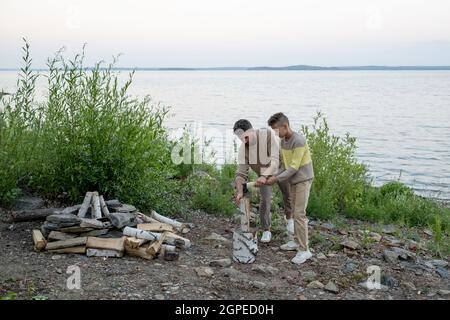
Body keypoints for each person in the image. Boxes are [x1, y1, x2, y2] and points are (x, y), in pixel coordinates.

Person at [265, 112, 314, 265]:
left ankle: (305, 250)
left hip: (303, 180)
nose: (275, 133)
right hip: (292, 181)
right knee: (293, 211)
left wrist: (277, 178)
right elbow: (283, 165)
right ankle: (295, 242)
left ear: (285, 126)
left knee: (299, 214)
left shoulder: (299, 141)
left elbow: (293, 167)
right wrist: (270, 176)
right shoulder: (283, 141)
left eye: (276, 130)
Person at [233, 119, 280, 243]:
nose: (244, 141)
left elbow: (275, 160)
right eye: (241, 139)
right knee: (265, 199)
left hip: (281, 168)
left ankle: (292, 223)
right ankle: (266, 230)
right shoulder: (243, 149)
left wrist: (265, 175)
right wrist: (239, 192)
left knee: (289, 197)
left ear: (252, 131)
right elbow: (241, 173)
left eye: (246, 138)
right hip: (263, 174)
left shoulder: (267, 135)